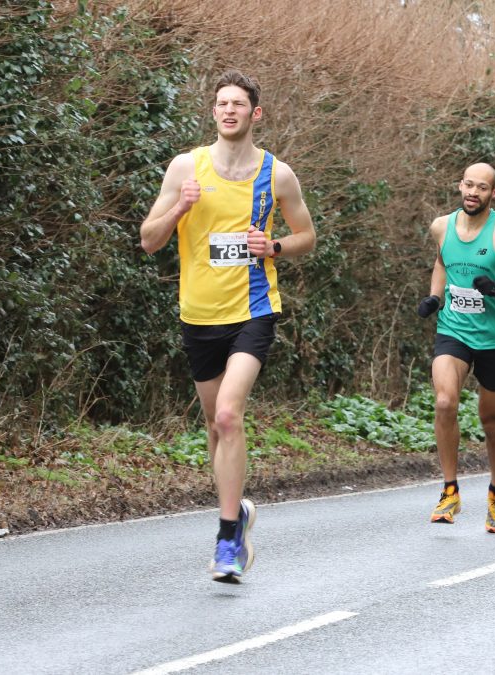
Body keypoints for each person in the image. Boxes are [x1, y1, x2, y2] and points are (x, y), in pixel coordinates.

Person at [139, 70, 316, 582]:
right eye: (222, 104)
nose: (229, 111)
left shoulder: (277, 174)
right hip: (198, 316)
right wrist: (180, 206)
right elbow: (149, 240)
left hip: (253, 312)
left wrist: (275, 246)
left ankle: (226, 540)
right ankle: (238, 511)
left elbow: (307, 234)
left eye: (239, 104)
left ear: (255, 113)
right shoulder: (185, 167)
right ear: (213, 112)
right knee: (214, 426)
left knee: (228, 416)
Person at [416, 162, 495, 533]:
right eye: (469, 185)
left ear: (494, 193)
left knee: (490, 420)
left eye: (482, 188)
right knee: (444, 402)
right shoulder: (441, 226)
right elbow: (442, 261)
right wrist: (434, 297)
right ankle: (450, 490)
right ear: (460, 186)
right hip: (453, 330)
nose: (474, 192)